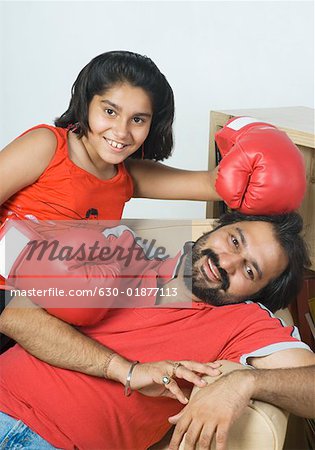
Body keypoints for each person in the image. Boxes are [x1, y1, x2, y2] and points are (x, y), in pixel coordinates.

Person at [0, 211, 314, 449]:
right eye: (234, 240)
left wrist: (243, 382)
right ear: (219, 226)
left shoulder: (245, 323)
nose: (226, 262)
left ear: (256, 294)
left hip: (50, 442)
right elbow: (16, 317)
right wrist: (124, 370)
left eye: (249, 270)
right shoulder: (123, 247)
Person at [0, 50, 306, 238]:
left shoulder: (124, 175)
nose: (121, 131)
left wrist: (262, 146)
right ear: (85, 103)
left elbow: (217, 185)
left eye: (138, 120)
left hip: (62, 297)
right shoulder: (47, 146)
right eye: (110, 111)